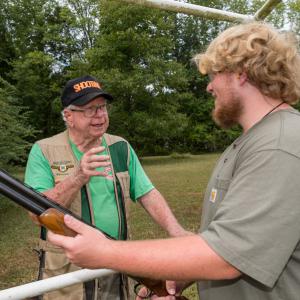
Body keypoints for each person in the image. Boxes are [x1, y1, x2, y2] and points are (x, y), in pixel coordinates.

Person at [48, 22, 300, 300]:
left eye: (214, 74)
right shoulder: (258, 140)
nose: (209, 86)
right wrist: (183, 275)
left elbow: (226, 256)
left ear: (240, 73)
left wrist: (105, 252)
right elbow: (236, 241)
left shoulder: (280, 145)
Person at [24, 75, 188, 300]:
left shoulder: (120, 147)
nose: (100, 115)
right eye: (90, 109)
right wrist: (78, 176)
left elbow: (147, 193)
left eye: (102, 107)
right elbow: (36, 212)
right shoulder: (44, 150)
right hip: (67, 271)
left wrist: (176, 231)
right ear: (69, 116)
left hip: (115, 263)